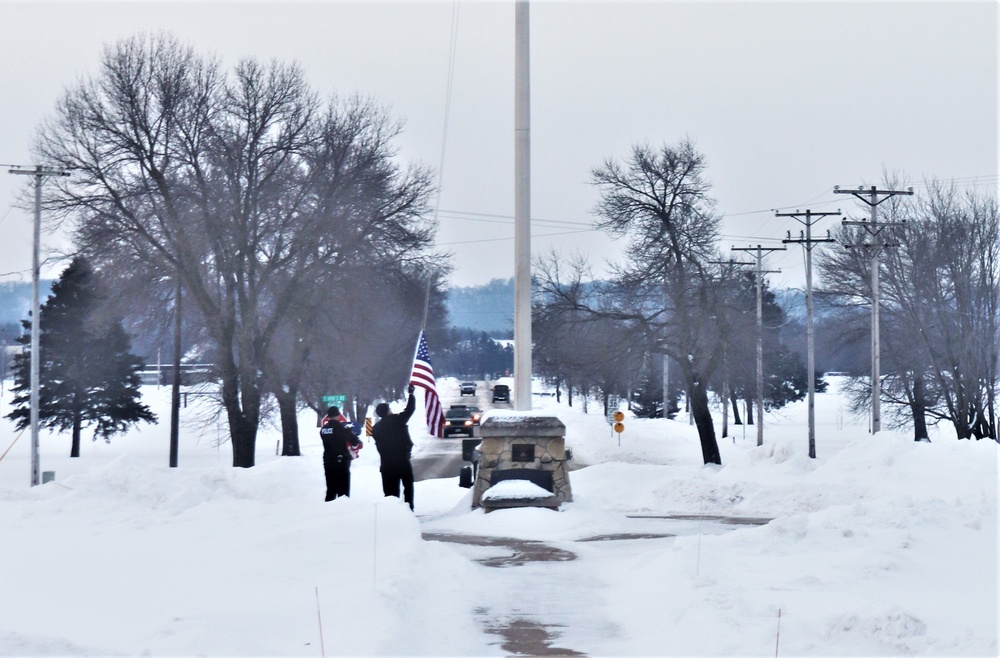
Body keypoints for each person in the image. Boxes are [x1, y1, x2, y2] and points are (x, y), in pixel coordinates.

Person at [371, 384, 416, 510]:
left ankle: (392, 512)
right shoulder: (398, 420)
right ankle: (408, 510)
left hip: (386, 464)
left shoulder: (375, 429)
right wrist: (411, 395)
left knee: (390, 492)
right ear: (387, 411)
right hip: (402, 460)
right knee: (408, 487)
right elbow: (410, 409)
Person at [320, 405, 363, 501]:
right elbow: (355, 441)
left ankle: (328, 510)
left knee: (331, 489)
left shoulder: (323, 430)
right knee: (343, 491)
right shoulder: (342, 429)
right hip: (341, 461)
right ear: (338, 415)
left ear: (328, 416)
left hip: (328, 461)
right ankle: (342, 511)